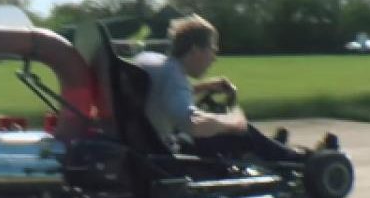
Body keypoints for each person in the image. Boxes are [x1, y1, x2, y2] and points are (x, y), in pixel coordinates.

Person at [135, 14, 332, 162]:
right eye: (212, 50)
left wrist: (204, 87)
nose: (214, 58)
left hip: (145, 142)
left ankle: (271, 147)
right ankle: (302, 159)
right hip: (167, 152)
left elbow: (162, 95)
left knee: (235, 130)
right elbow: (193, 124)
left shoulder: (152, 61)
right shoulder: (175, 77)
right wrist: (231, 123)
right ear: (195, 50)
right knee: (240, 132)